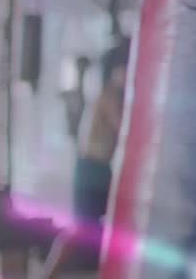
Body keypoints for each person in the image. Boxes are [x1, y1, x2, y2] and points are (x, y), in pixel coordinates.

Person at [41, 41, 129, 279]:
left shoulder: (113, 94)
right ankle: (48, 274)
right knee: (81, 227)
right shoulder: (109, 94)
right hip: (92, 169)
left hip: (99, 169)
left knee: (112, 226)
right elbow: (123, 128)